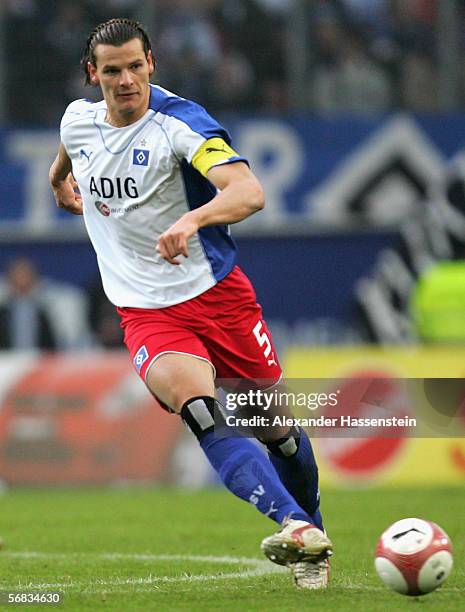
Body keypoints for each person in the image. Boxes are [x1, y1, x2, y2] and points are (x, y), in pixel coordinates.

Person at [48, 18, 332, 589]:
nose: (126, 80)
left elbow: (249, 192)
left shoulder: (180, 124)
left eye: (135, 66)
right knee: (202, 411)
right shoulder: (78, 120)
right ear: (92, 74)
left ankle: (316, 535)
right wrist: (59, 180)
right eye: (112, 71)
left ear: (152, 62)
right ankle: (297, 528)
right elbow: (70, 149)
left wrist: (193, 217)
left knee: (276, 432)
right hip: (146, 312)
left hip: (219, 299)